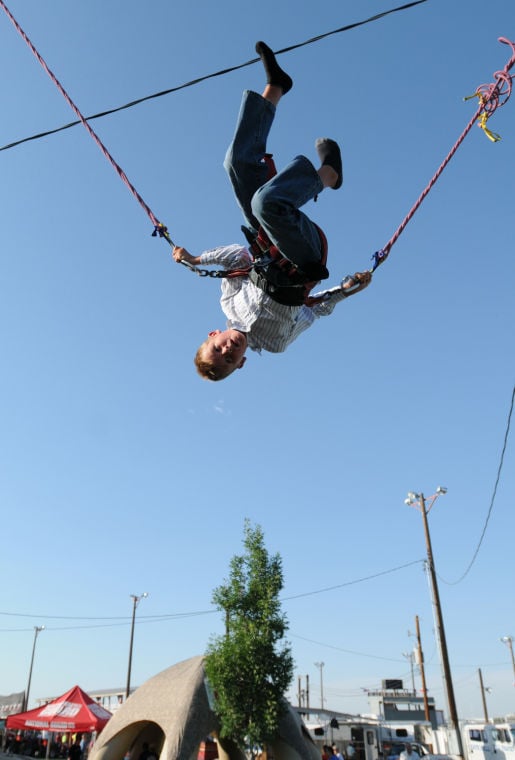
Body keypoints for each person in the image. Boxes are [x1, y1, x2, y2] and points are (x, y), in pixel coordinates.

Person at [173, 40, 372, 381]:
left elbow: (237, 256)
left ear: (213, 335)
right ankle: (327, 175)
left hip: (267, 244)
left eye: (218, 348)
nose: (228, 350)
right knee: (266, 203)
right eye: (230, 359)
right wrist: (350, 287)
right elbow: (314, 309)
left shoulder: (229, 302)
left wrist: (196, 260)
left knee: (235, 164)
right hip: (305, 258)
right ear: (242, 363)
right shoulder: (277, 343)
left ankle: (276, 88)